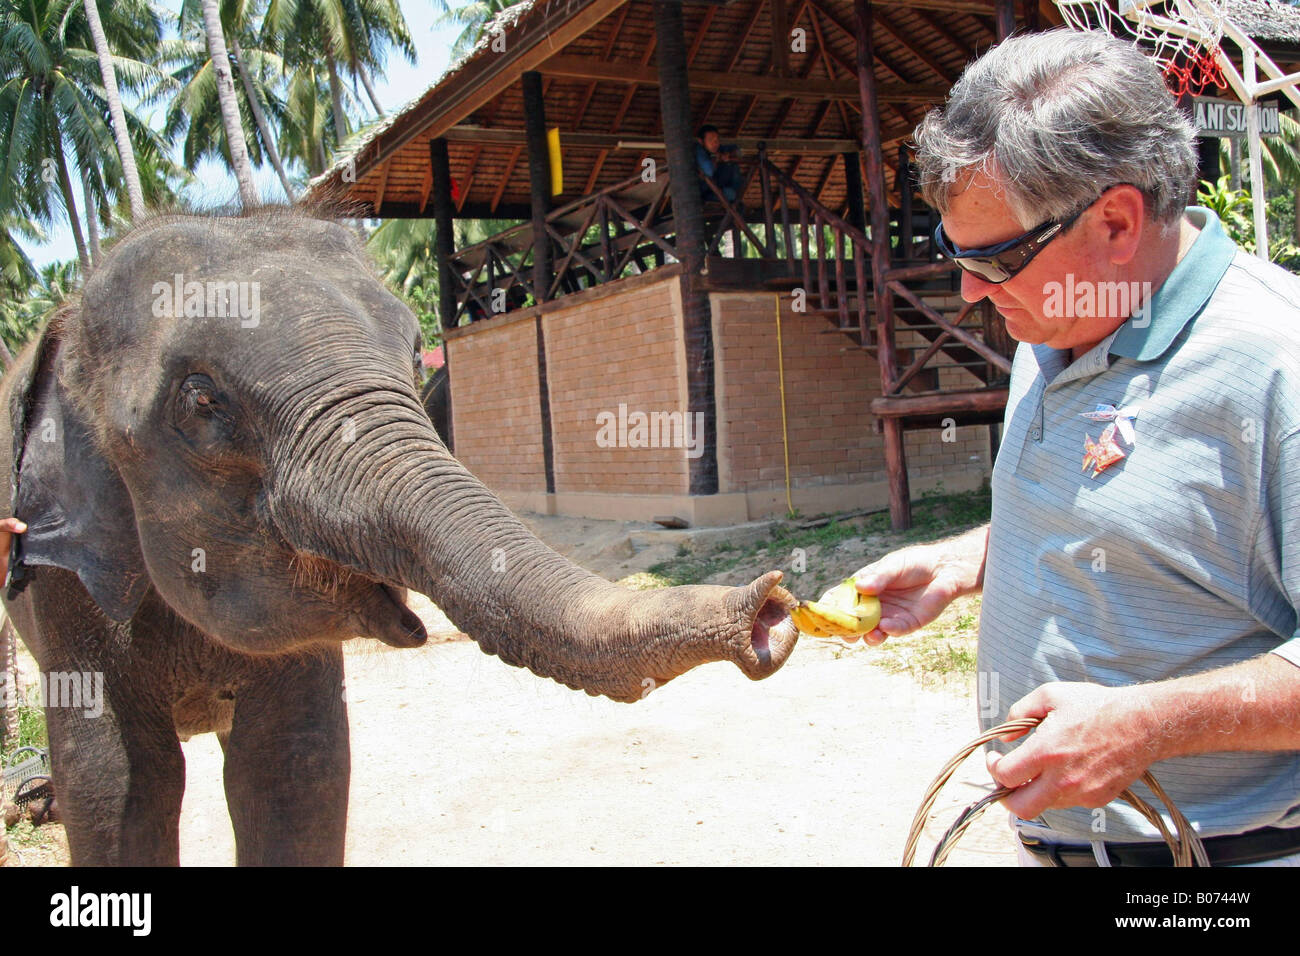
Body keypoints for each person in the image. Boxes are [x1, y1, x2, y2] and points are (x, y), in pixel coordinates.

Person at [847, 28, 1300, 866]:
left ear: (1117, 221)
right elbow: (1148, 522)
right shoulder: (1054, 326)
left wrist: (1148, 727)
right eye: (954, 253)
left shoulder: (1278, 369)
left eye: (995, 258)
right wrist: (966, 561)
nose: (968, 291)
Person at [695, 124, 741, 203]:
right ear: (701, 141)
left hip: (717, 187)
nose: (715, 143)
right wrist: (717, 159)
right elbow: (709, 171)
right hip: (704, 192)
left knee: (732, 164)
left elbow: (738, 151)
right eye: (710, 140)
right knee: (730, 194)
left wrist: (728, 155)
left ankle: (737, 195)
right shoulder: (699, 151)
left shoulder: (717, 149)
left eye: (717, 140)